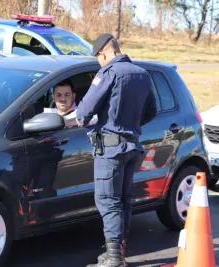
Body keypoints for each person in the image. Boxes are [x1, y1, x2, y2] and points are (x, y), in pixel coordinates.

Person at [75, 33, 157, 267]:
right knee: (123, 201)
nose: (99, 63)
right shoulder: (142, 74)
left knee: (108, 201)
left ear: (104, 52)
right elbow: (152, 111)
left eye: (98, 58)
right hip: (132, 146)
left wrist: (85, 116)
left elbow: (84, 112)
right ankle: (117, 253)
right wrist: (131, 125)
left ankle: (113, 259)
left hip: (110, 150)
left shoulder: (108, 73)